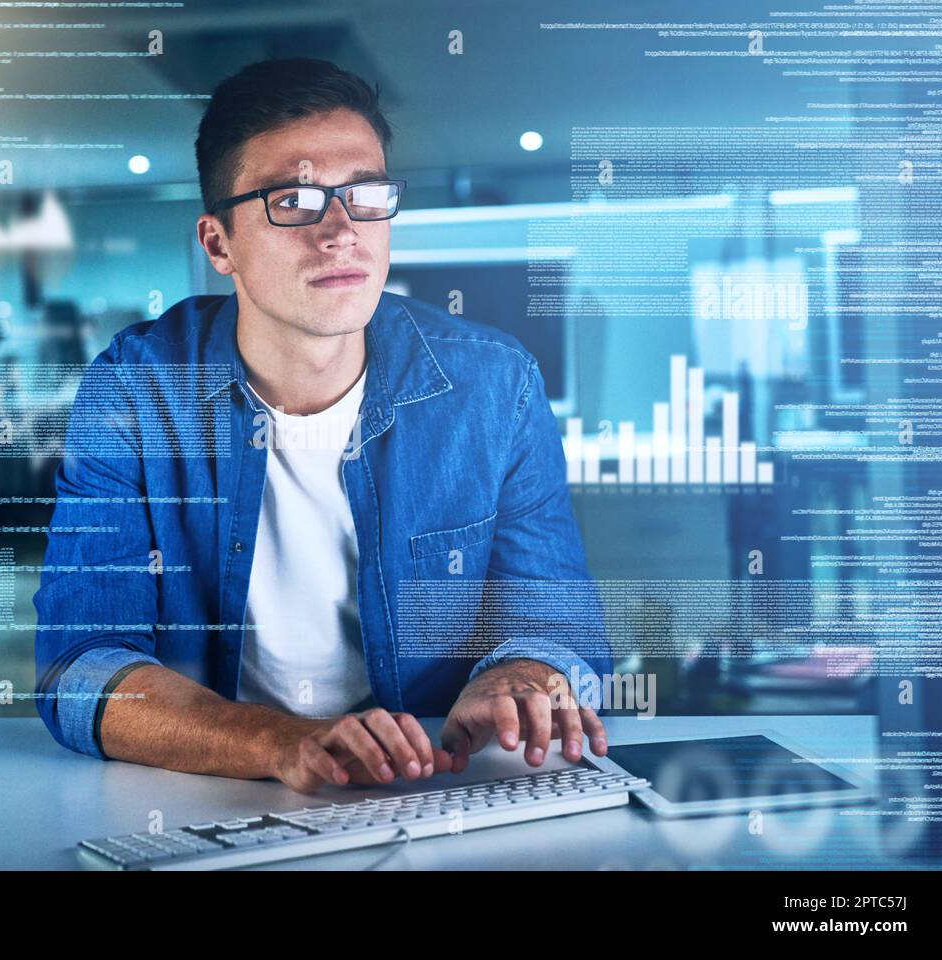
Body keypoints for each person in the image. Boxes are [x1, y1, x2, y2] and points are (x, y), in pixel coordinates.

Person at [35, 57, 613, 794]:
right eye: (295, 200)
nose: (343, 232)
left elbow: (560, 625)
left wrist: (520, 678)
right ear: (219, 245)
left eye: (366, 194)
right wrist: (280, 742)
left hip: (439, 790)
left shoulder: (496, 386)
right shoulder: (137, 390)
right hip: (213, 792)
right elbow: (80, 667)